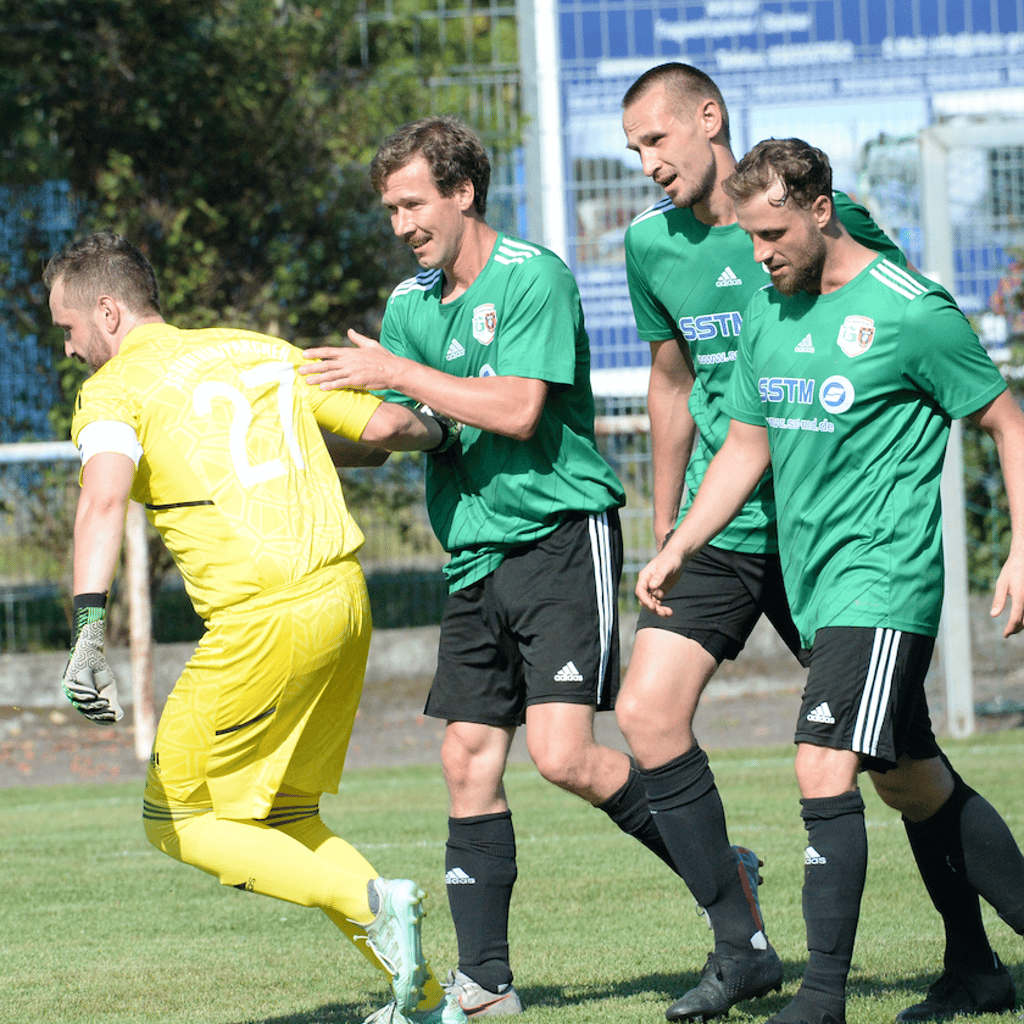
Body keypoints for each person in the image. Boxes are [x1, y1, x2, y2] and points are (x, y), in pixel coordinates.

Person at [299, 115, 694, 1019]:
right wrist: (298, 439)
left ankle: (714, 866)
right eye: (390, 209)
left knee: (564, 757)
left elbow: (516, 410)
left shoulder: (533, 277)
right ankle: (485, 989)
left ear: (462, 191)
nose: (400, 224)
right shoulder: (410, 306)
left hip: (559, 535)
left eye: (412, 203)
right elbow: (414, 426)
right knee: (466, 757)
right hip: (474, 552)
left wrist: (396, 371)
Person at [637, 138, 1024, 1024]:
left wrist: (1021, 550)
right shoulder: (774, 310)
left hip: (882, 582)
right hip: (820, 587)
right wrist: (679, 544)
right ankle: (977, 969)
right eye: (748, 236)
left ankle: (821, 999)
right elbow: (745, 444)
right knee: (912, 780)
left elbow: (1007, 421)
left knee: (821, 764)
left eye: (772, 233)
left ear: (821, 209)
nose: (759, 253)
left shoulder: (910, 308)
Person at [47, 231, 468, 1024]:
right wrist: (445, 431)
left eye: (68, 328)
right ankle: (428, 999)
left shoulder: (113, 390)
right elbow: (388, 432)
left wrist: (89, 630)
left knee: (174, 821)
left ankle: (375, 899)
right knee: (284, 818)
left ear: (107, 311)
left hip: (261, 618)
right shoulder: (258, 349)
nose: (69, 349)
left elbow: (101, 498)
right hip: (344, 600)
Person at [617, 61, 909, 1022]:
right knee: (648, 713)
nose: (649, 164)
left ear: (710, 119)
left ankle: (971, 950)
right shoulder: (650, 248)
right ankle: (739, 946)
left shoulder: (821, 217)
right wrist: (667, 522)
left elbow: (891, 330)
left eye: (658, 140)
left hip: (823, 528)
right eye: (635, 151)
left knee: (904, 765)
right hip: (724, 522)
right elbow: (670, 383)